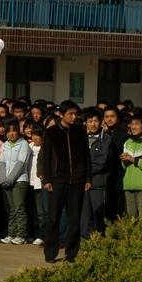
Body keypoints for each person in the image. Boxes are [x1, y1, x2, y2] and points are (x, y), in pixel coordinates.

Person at [42, 100, 92, 264]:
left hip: (77, 181)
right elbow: (46, 157)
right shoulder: (51, 132)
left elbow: (87, 157)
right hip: (57, 180)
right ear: (61, 115)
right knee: (53, 217)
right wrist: (47, 179)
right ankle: (50, 253)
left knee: (74, 219)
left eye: (76, 113)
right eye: (70, 113)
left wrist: (88, 178)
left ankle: (72, 254)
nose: (74, 116)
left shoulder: (80, 131)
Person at [0, 115, 31, 245]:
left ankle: (21, 235)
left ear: (19, 130)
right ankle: (11, 233)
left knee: (19, 208)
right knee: (11, 208)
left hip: (19, 181)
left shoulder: (23, 144)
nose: (11, 134)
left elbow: (21, 163)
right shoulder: (5, 144)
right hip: (6, 181)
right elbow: (2, 163)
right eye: (9, 131)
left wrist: (10, 179)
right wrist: (3, 180)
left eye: (14, 130)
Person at [80, 108, 112, 240]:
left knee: (99, 216)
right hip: (82, 183)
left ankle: (100, 244)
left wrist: (82, 170)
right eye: (90, 121)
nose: (93, 124)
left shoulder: (106, 138)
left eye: (96, 121)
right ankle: (85, 244)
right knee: (84, 217)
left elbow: (101, 162)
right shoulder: (81, 138)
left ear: (101, 122)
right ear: (85, 123)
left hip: (98, 183)